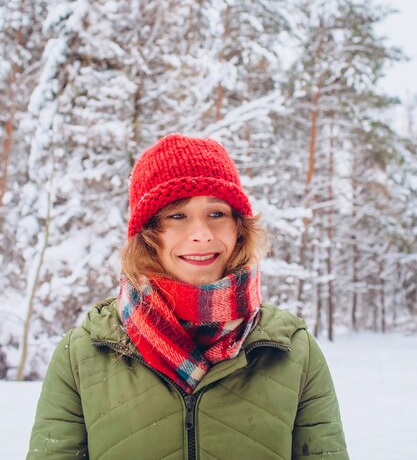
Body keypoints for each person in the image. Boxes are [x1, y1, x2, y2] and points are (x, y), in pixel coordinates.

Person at [27, 134, 349, 460]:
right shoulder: (83, 354)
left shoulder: (293, 351)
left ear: (239, 227)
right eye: (177, 216)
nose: (202, 233)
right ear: (149, 235)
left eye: (217, 213)